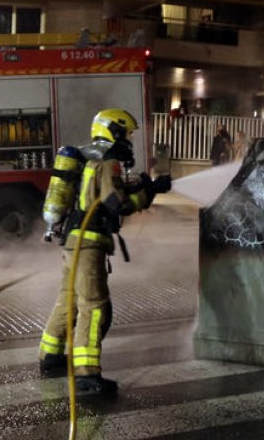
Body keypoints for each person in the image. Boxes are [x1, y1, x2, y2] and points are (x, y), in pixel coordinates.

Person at [38, 108, 171, 396]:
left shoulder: (90, 156)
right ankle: (87, 376)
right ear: (115, 130)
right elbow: (116, 203)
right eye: (128, 133)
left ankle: (50, 357)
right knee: (95, 306)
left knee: (68, 300)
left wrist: (141, 184)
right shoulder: (107, 159)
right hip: (88, 244)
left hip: (72, 241)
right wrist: (150, 193)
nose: (130, 139)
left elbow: (100, 192)